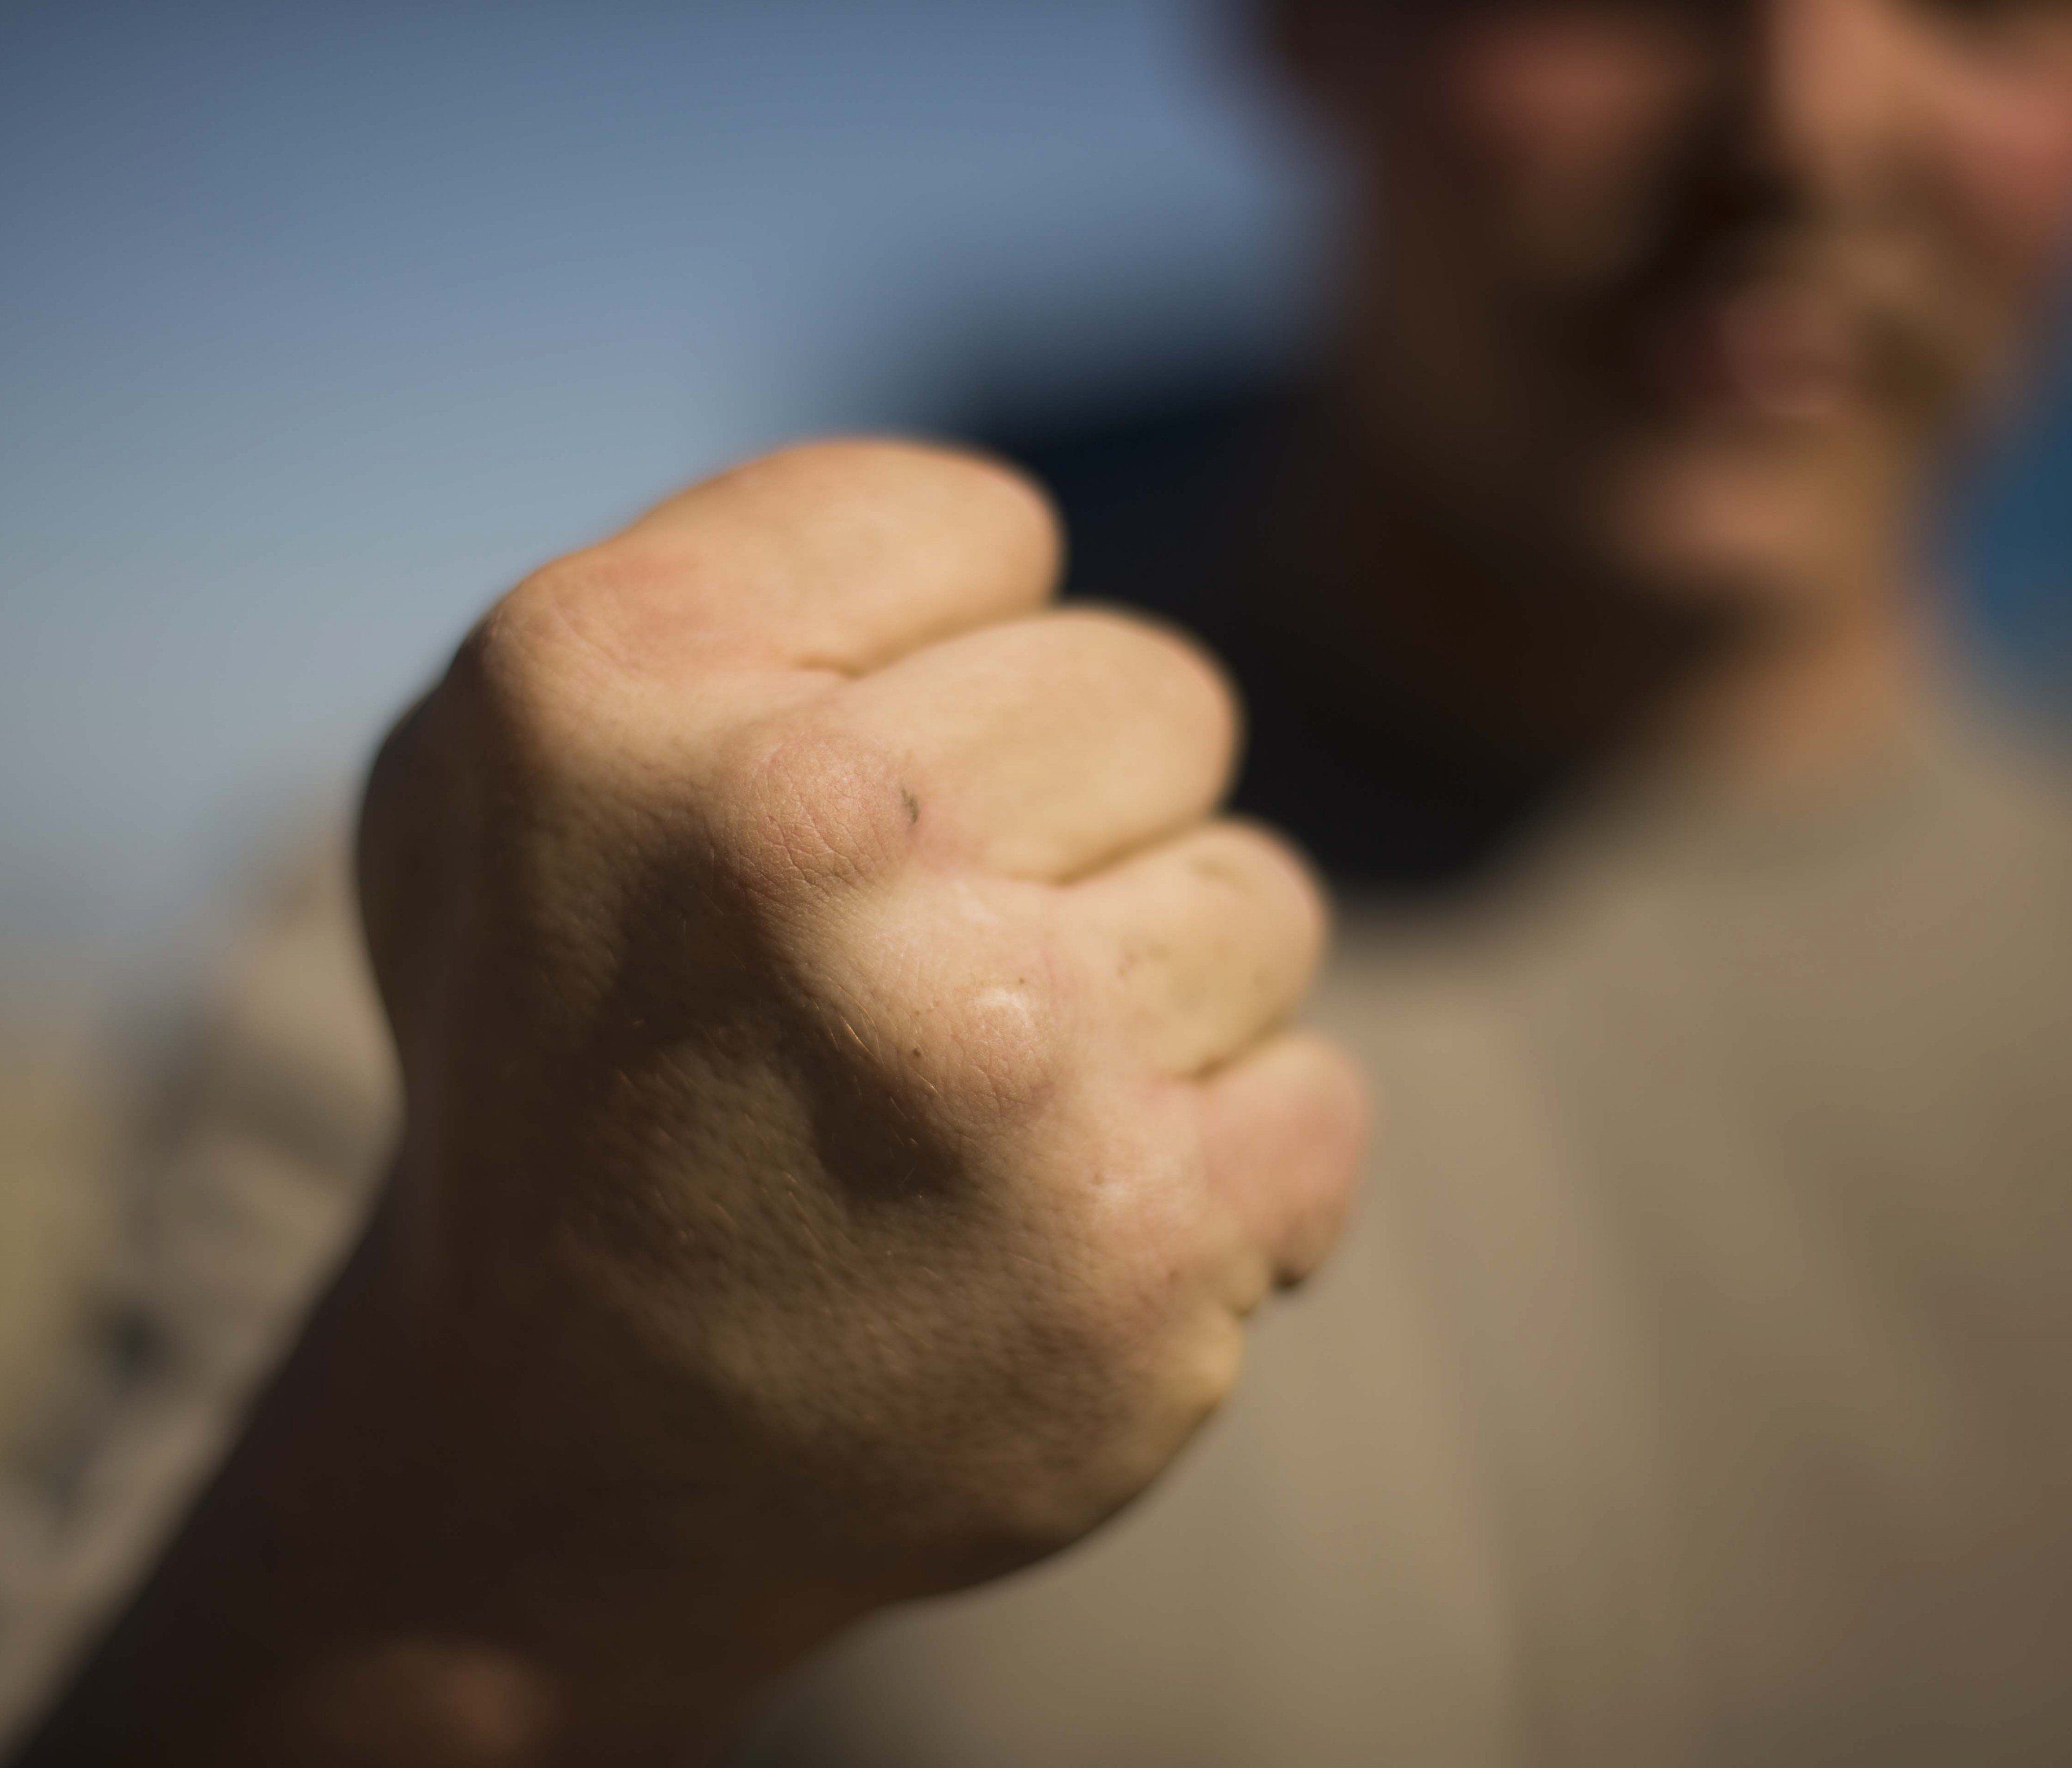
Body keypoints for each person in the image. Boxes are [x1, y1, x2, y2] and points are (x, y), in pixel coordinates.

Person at [8, 0, 2072, 1762]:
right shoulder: (632, 913)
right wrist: (519, 1528)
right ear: (1305, 31)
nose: (1809, 128)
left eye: (1983, 1)